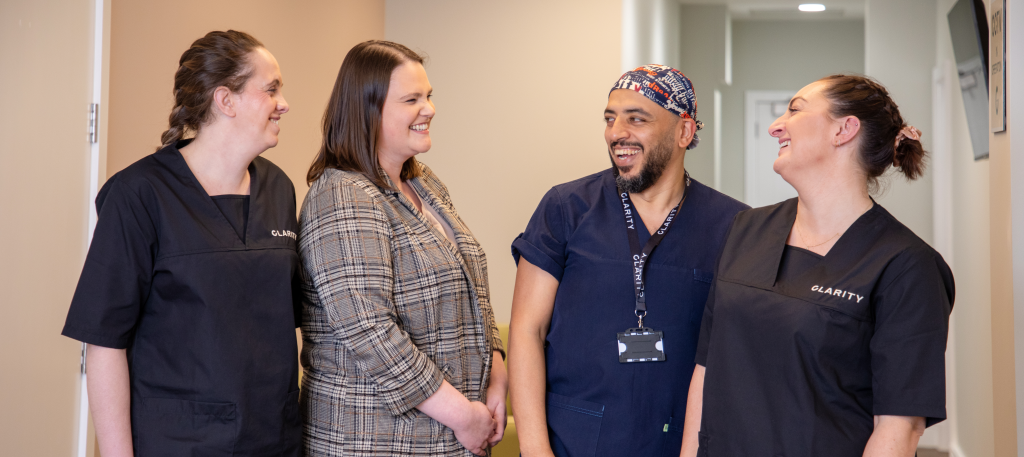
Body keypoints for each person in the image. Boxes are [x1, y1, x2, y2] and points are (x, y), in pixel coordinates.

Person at [680, 75, 955, 457]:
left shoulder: (906, 266)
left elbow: (899, 428)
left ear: (844, 129)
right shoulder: (746, 230)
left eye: (795, 110)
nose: (776, 126)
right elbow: (706, 369)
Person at [61, 31, 301, 456]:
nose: (284, 103)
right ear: (225, 100)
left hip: (273, 438)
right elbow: (104, 342)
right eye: (271, 89)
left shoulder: (278, 188)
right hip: (179, 443)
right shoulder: (139, 194)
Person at [508, 64, 748, 457]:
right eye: (610, 118)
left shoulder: (733, 225)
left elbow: (736, 354)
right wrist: (535, 449)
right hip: (572, 440)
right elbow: (526, 331)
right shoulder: (566, 208)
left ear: (684, 131)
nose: (616, 132)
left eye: (636, 119)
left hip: (679, 441)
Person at [299, 40, 506, 457]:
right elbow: (371, 333)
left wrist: (496, 380)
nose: (429, 109)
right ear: (367, 110)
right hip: (375, 441)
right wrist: (463, 417)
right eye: (412, 100)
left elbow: (472, 287)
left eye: (428, 96)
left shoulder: (422, 182)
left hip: (451, 433)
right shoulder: (342, 194)